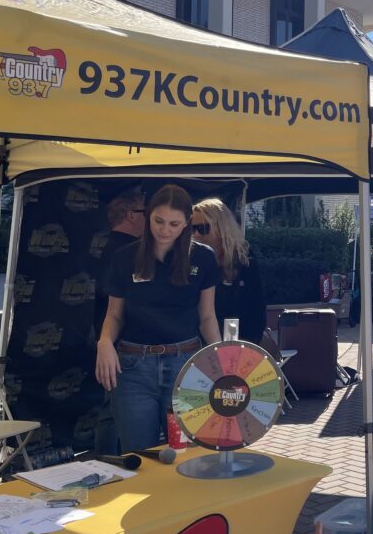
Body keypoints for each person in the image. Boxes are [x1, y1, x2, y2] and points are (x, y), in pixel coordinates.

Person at [97, 184, 221, 453]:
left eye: (174, 224)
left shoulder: (203, 258)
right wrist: (104, 342)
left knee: (190, 454)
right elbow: (114, 314)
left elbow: (207, 316)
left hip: (186, 364)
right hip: (133, 367)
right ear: (148, 216)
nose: (165, 230)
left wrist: (220, 359)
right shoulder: (125, 257)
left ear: (187, 222)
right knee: (140, 455)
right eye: (159, 221)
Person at [93, 187, 145, 455]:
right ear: (131, 215)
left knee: (112, 409)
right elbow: (115, 305)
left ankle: (105, 460)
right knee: (113, 409)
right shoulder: (124, 252)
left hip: (114, 339)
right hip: (120, 341)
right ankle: (105, 462)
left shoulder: (112, 246)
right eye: (146, 213)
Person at [191, 199, 266, 344]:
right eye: (192, 229)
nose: (196, 234)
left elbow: (257, 308)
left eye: (203, 228)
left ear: (221, 228)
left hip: (238, 340)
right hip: (198, 343)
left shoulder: (244, 260)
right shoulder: (191, 260)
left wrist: (249, 345)